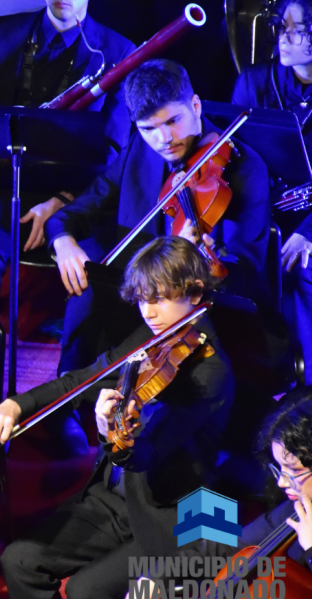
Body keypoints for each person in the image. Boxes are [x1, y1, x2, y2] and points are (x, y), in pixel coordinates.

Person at [0, 236, 234, 599]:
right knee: (20, 562)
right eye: (143, 300)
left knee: (87, 593)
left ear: (194, 294)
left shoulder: (210, 373)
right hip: (117, 498)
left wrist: (111, 433)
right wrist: (17, 404)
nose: (148, 312)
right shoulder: (155, 333)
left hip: (173, 515)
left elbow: (147, 453)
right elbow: (88, 376)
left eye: (159, 299)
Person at [47, 59, 270, 373]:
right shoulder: (140, 150)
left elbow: (246, 269)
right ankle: (69, 387)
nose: (164, 138)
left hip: (198, 308)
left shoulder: (242, 168)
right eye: (149, 128)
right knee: (86, 275)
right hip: (137, 298)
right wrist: (62, 240)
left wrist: (195, 260)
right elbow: (83, 208)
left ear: (195, 106)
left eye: (173, 121)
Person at [0, 0, 135, 315]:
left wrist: (64, 201)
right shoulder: (0, 33)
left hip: (80, 195)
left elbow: (114, 149)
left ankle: (73, 355)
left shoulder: (121, 53)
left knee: (89, 278)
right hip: (7, 184)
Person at [120, 386, 312, 599]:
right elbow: (231, 546)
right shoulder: (298, 510)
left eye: (294, 470)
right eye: (279, 468)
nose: (281, 482)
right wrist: (158, 576)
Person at [232, 0, 312, 384]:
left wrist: (309, 234)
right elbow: (235, 155)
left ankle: (309, 391)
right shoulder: (253, 82)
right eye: (281, 27)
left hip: (310, 222)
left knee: (304, 271)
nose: (283, 37)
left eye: (296, 30)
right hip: (261, 211)